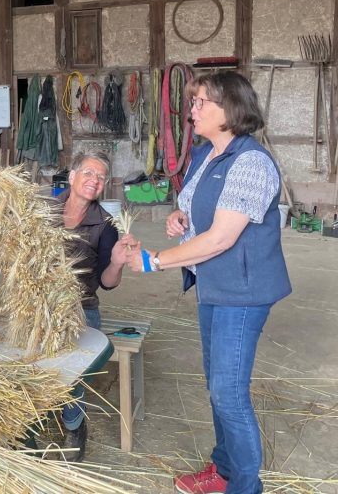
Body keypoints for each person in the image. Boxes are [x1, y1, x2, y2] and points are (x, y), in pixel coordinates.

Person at [126, 71, 291, 494]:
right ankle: (222, 470)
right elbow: (192, 209)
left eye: (201, 103)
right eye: (192, 102)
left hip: (243, 290)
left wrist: (154, 261)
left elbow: (220, 238)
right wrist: (180, 218)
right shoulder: (205, 154)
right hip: (213, 286)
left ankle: (244, 486)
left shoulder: (251, 163)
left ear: (231, 110)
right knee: (217, 385)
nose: (191, 112)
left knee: (229, 393)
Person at [58, 151, 132, 461]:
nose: (95, 180)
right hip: (36, 303)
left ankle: (74, 425)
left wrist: (116, 263)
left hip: (81, 307)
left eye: (101, 177)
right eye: (88, 173)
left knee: (69, 363)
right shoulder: (43, 209)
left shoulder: (105, 225)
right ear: (72, 176)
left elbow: (108, 283)